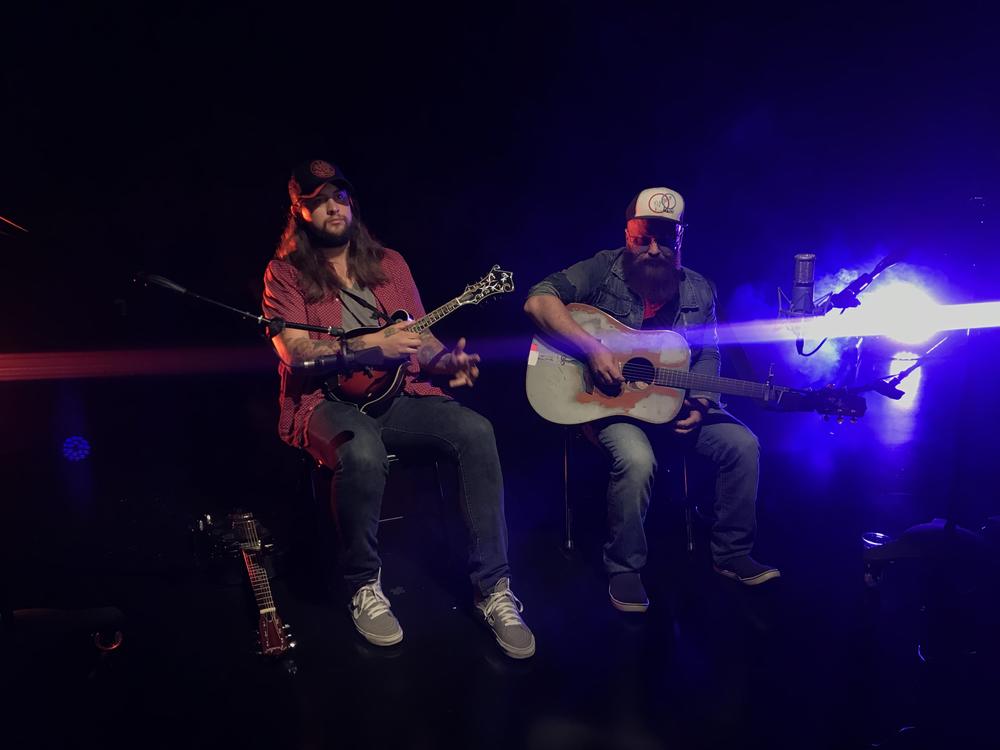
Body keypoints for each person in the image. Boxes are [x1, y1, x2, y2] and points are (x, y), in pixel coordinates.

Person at [262, 159, 534, 658]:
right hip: (324, 401)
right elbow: (296, 354)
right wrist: (365, 350)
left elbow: (419, 339)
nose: (332, 207)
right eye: (318, 199)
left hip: (397, 397)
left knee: (475, 430)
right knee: (362, 451)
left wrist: (445, 360)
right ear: (299, 210)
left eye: (339, 197)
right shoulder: (285, 273)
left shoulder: (390, 263)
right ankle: (363, 585)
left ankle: (493, 588)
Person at [523, 186, 779, 612]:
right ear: (629, 236)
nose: (654, 249)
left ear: (681, 239)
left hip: (674, 406)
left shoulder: (700, 290)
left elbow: (710, 352)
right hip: (607, 405)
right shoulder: (602, 269)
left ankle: (732, 554)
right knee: (638, 459)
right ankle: (625, 567)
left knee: (744, 446)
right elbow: (537, 301)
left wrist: (699, 401)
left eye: (666, 238)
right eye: (643, 236)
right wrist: (592, 348)